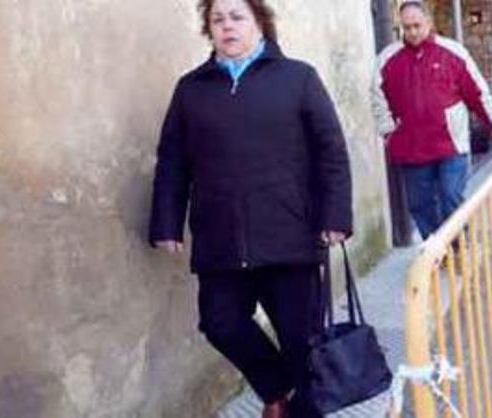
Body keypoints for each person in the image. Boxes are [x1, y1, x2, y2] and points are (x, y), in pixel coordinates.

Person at [148, 1, 353, 417]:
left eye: (238, 17)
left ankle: (298, 408)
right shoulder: (191, 90)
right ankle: (277, 389)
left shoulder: (298, 79)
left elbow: (331, 151)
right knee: (220, 323)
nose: (228, 26)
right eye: (218, 19)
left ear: (260, 24)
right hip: (220, 236)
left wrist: (335, 217)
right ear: (208, 28)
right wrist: (166, 223)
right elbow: (173, 160)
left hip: (289, 236)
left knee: (302, 344)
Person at [372, 1, 492, 239]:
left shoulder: (452, 53)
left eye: (417, 26)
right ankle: (435, 251)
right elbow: (378, 99)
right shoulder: (387, 60)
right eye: (407, 27)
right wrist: (389, 133)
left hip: (450, 144)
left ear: (428, 23)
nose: (412, 32)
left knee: (450, 196)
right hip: (412, 147)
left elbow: (476, 91)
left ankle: (459, 246)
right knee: (420, 204)